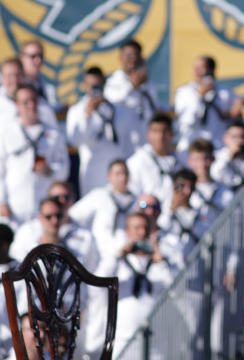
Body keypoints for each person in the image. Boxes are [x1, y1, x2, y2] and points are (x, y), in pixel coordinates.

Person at [90, 212, 173, 358]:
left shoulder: (157, 265)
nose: (142, 233)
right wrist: (119, 255)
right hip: (123, 339)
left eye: (145, 228)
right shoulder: (118, 263)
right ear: (127, 232)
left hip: (154, 341)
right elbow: (99, 283)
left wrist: (160, 260)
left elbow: (172, 289)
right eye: (137, 228)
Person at [0, 84, 69, 227]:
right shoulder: (5, 133)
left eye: (34, 101)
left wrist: (50, 170)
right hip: (14, 207)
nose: (31, 105)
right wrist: (1, 201)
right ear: (17, 105)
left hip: (44, 207)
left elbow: (65, 168)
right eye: (25, 102)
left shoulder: (53, 136)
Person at [0, 59, 57, 190]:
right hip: (4, 172)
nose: (14, 80)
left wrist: (52, 168)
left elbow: (55, 138)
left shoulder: (41, 105)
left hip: (38, 176)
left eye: (18, 75)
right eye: (9, 76)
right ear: (1, 78)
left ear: (24, 76)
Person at [66, 67, 138, 196]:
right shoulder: (77, 111)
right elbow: (75, 141)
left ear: (104, 83)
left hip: (117, 175)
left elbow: (129, 142)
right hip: (92, 173)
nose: (94, 89)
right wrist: (86, 116)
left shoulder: (119, 110)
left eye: (97, 85)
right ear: (84, 85)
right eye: (90, 85)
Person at [174, 56, 244, 153]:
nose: (197, 72)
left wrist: (239, 102)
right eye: (195, 68)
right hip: (191, 146)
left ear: (211, 71)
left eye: (201, 68)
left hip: (216, 146)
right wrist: (199, 96)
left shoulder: (222, 92)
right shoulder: (184, 92)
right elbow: (187, 120)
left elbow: (242, 99)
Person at [67, 160, 136, 257]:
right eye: (118, 174)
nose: (122, 178)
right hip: (99, 254)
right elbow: (74, 216)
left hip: (126, 255)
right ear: (109, 176)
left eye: (125, 173)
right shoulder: (100, 195)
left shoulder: (136, 200)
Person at [104, 39, 159, 148]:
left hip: (144, 142)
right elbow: (111, 100)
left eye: (136, 55)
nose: (133, 59)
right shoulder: (113, 81)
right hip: (121, 144)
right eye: (128, 55)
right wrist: (131, 86)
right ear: (121, 57)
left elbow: (153, 108)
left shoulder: (148, 84)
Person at [126, 113, 183, 204]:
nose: (161, 136)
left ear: (172, 134)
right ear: (148, 135)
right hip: (148, 212)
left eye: (165, 131)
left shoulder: (181, 162)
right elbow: (131, 195)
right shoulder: (137, 161)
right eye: (156, 131)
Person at [18, 40, 59, 111]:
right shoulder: (15, 87)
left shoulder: (47, 88)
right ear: (22, 58)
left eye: (41, 56)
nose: (38, 60)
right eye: (33, 56)